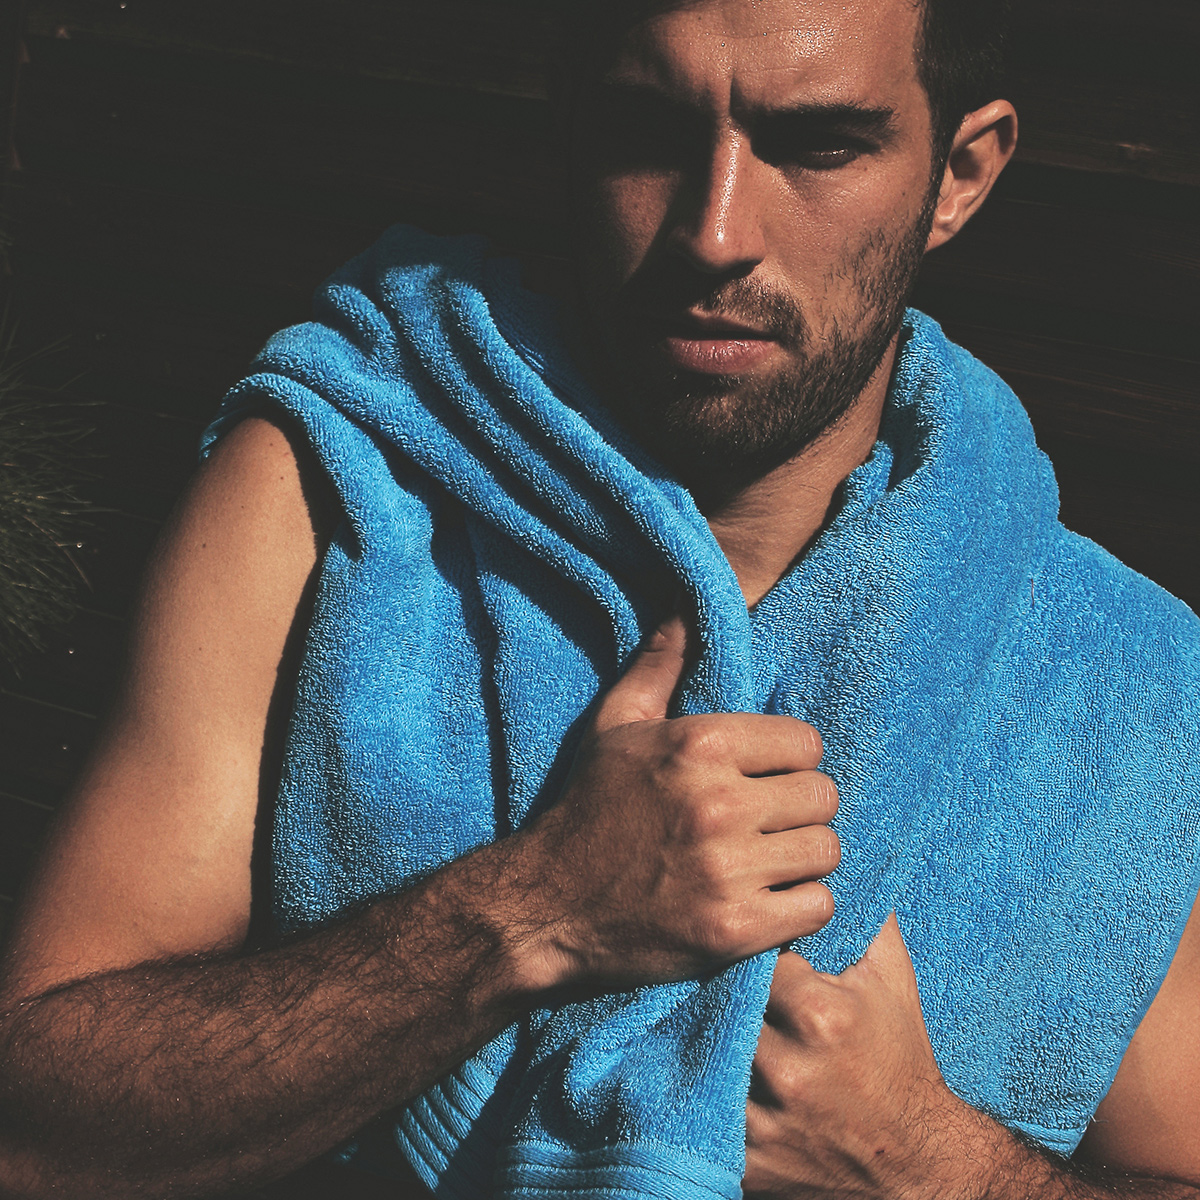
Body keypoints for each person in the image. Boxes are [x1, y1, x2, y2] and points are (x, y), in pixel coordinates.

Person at [1, 0, 1198, 1196]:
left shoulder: (1118, 682)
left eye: (818, 146)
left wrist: (933, 1162)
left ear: (960, 174)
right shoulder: (333, 495)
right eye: (648, 132)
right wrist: (534, 910)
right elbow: (32, 1129)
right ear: (570, 126)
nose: (715, 233)